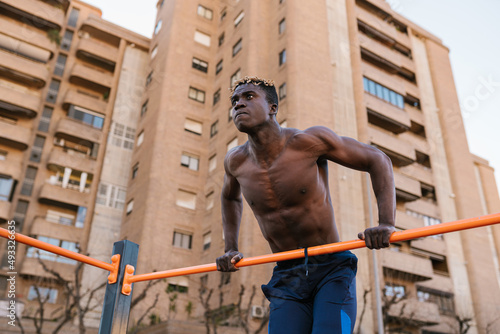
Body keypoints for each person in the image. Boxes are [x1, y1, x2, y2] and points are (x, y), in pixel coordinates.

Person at [216, 76, 396, 334]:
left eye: (249, 97)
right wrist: (230, 248)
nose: (238, 105)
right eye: (235, 101)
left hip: (331, 268)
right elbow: (229, 197)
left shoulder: (308, 142)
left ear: (272, 108)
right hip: (288, 275)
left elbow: (377, 159)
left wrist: (386, 222)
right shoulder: (235, 162)